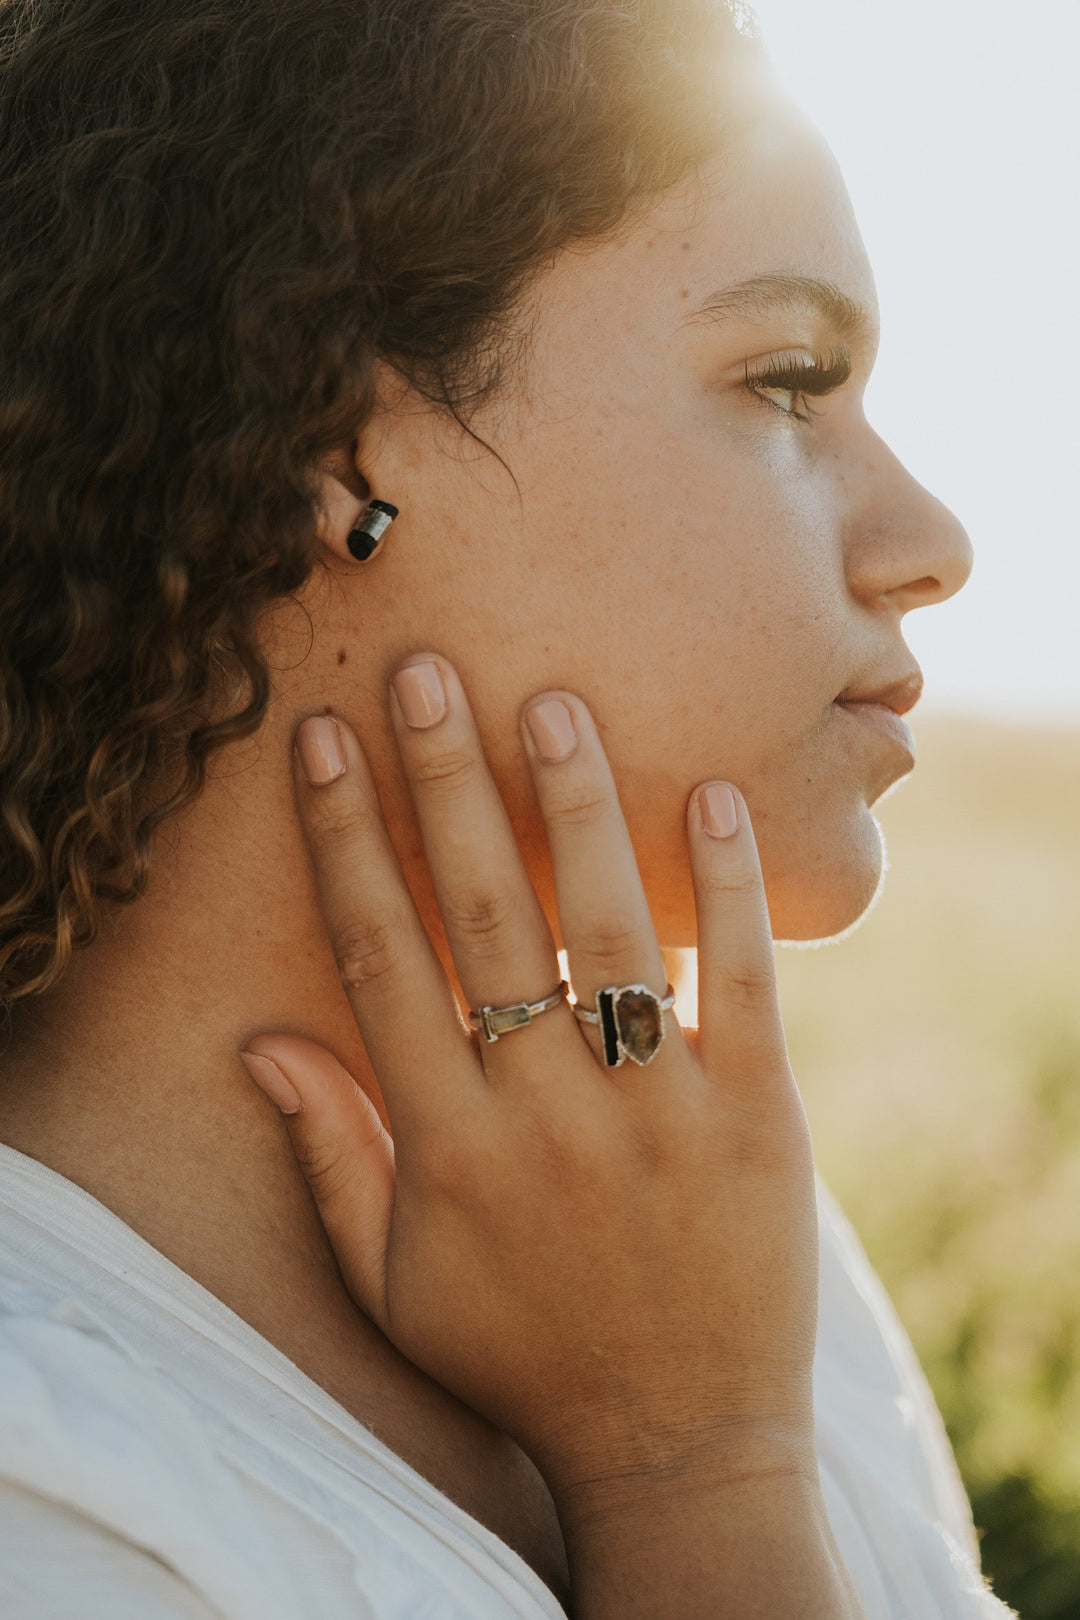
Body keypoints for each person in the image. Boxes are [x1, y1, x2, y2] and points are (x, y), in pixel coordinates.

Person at [0, 0, 1012, 1614]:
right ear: (326, 437)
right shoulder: (42, 1496)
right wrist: (692, 1479)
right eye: (790, 381)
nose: (935, 539)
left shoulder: (700, 1228)